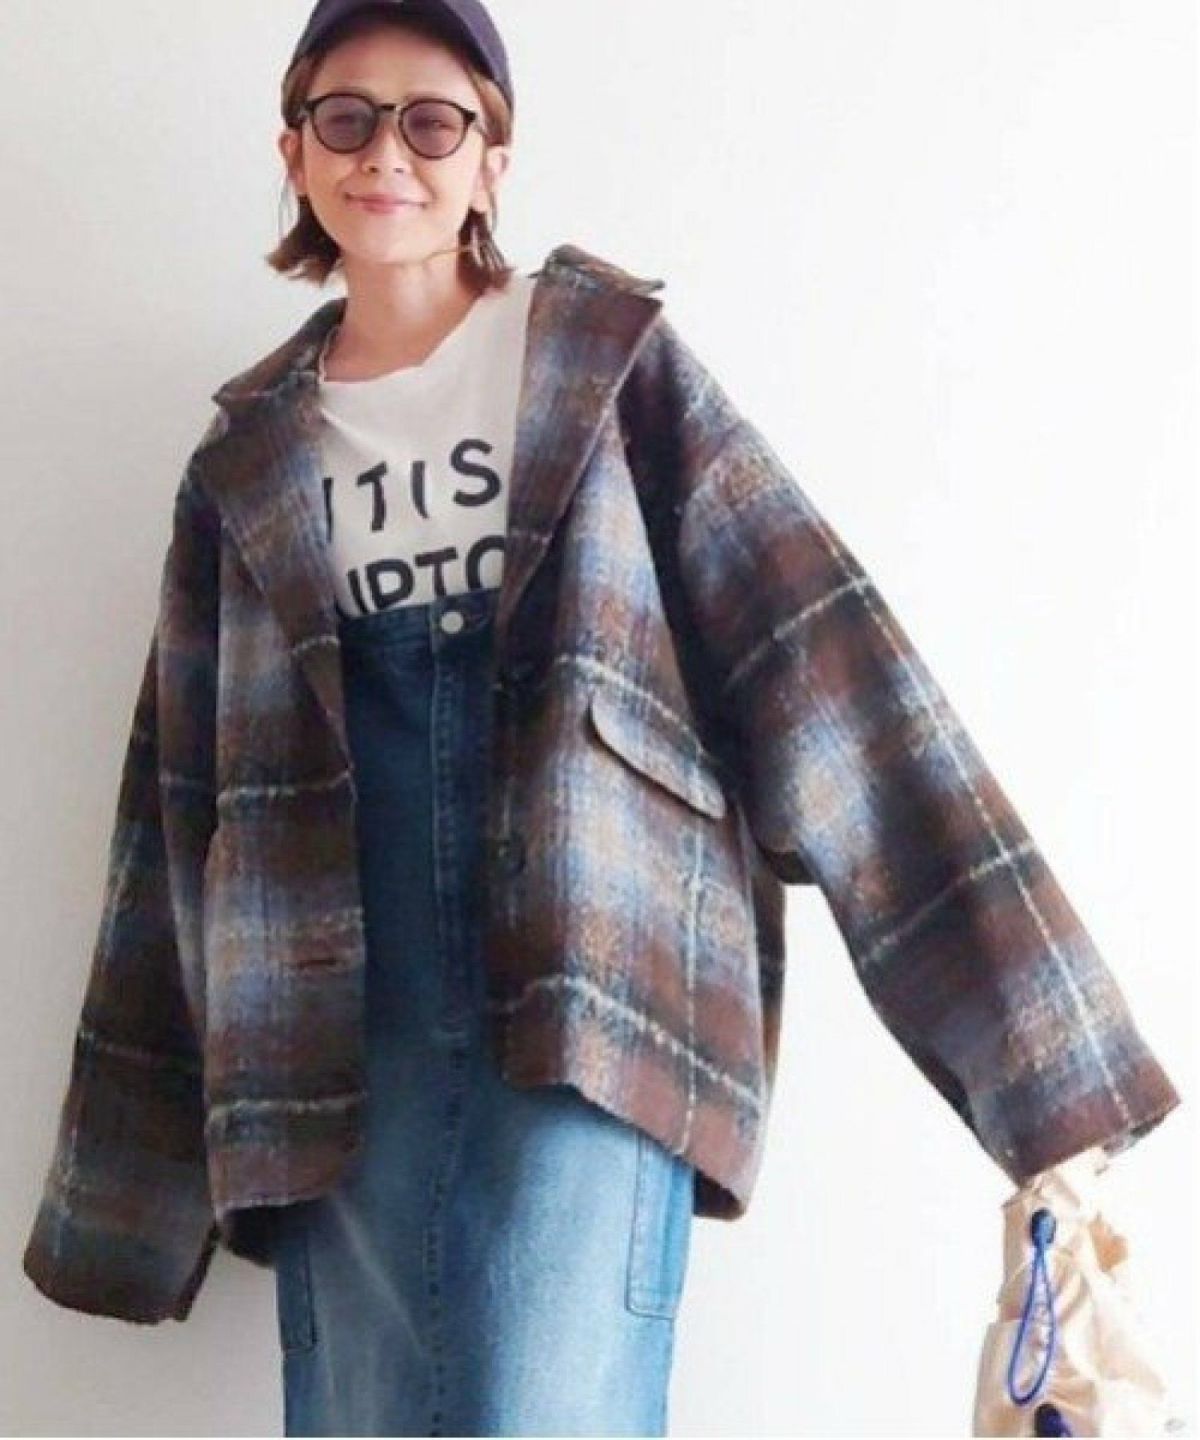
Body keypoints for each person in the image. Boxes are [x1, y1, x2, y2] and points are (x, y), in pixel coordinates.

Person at [21, 1, 1182, 1435]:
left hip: (589, 989)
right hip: (329, 1047)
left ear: (491, 162)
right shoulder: (246, 457)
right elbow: (178, 818)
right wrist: (126, 1207)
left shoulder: (604, 367)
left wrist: (1044, 1086)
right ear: (296, 154)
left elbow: (828, 674)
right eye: (347, 117)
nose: (388, 153)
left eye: (433, 120)